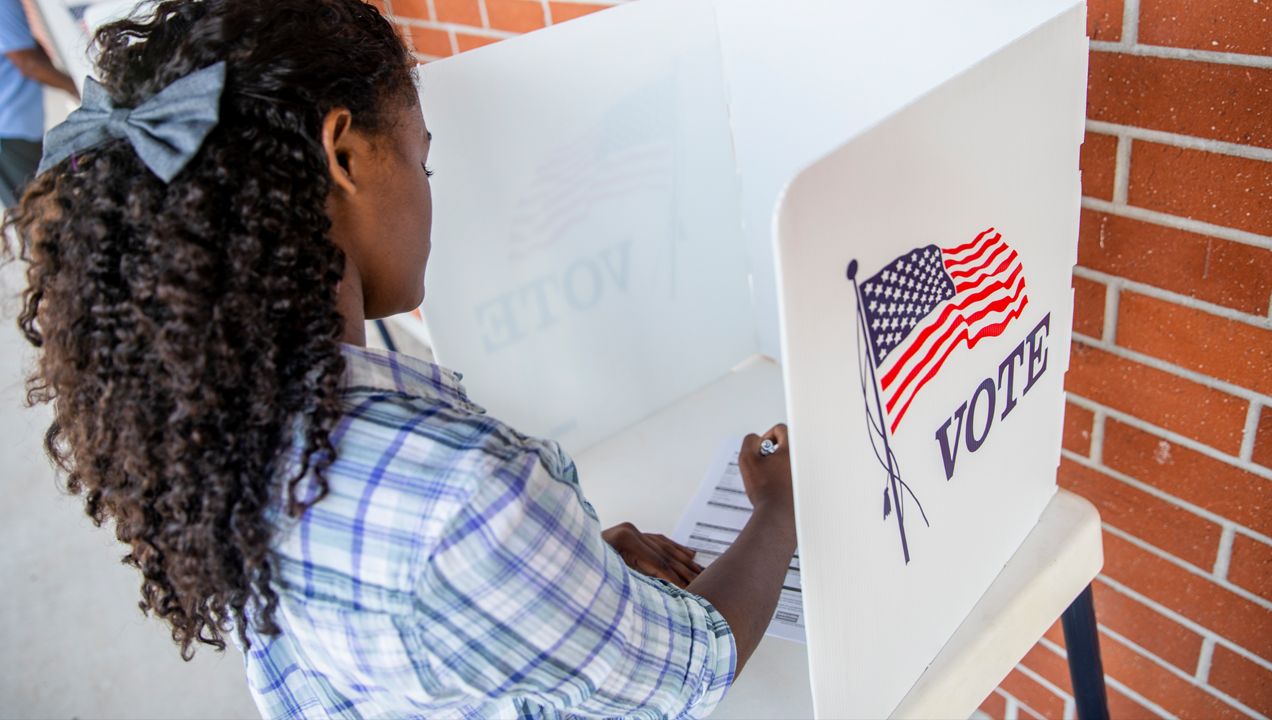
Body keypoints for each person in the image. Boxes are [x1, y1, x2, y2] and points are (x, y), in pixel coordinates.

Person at [2, 0, 797, 717]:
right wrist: (778, 511)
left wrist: (560, 585)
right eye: (423, 159)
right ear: (343, 156)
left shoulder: (214, 431)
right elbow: (696, 662)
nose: (428, 187)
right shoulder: (461, 497)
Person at [0, 0, 77, 208]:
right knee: (41, 212)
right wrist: (81, 88)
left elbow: (29, 47)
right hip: (8, 133)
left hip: (14, 128)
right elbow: (29, 63)